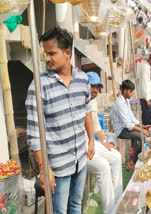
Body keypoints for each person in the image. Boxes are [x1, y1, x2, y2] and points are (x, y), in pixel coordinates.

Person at [26, 27, 94, 213]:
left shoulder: (82, 79)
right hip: (57, 165)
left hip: (79, 156)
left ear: (67, 53)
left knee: (75, 205)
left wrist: (91, 140)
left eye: (52, 53)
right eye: (45, 53)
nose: (47, 58)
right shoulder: (39, 86)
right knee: (59, 211)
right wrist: (44, 168)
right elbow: (34, 134)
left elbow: (87, 110)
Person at [86, 72, 123, 213]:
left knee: (116, 156)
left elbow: (95, 125)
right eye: (92, 86)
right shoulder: (78, 99)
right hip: (80, 145)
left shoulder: (93, 101)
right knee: (103, 166)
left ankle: (119, 203)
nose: (94, 90)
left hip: (91, 141)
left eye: (97, 87)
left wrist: (105, 142)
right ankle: (110, 210)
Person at [113, 80, 151, 170]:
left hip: (126, 128)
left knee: (145, 135)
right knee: (143, 138)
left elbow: (132, 118)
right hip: (121, 131)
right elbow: (128, 125)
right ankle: (132, 162)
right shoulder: (119, 103)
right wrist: (142, 130)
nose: (131, 94)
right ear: (125, 90)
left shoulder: (126, 101)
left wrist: (142, 126)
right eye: (131, 91)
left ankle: (137, 157)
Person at [136, 54, 151, 125]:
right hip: (145, 97)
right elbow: (144, 83)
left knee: (146, 117)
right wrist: (147, 99)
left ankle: (147, 133)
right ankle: (147, 133)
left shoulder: (144, 66)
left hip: (144, 96)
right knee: (148, 119)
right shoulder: (145, 67)